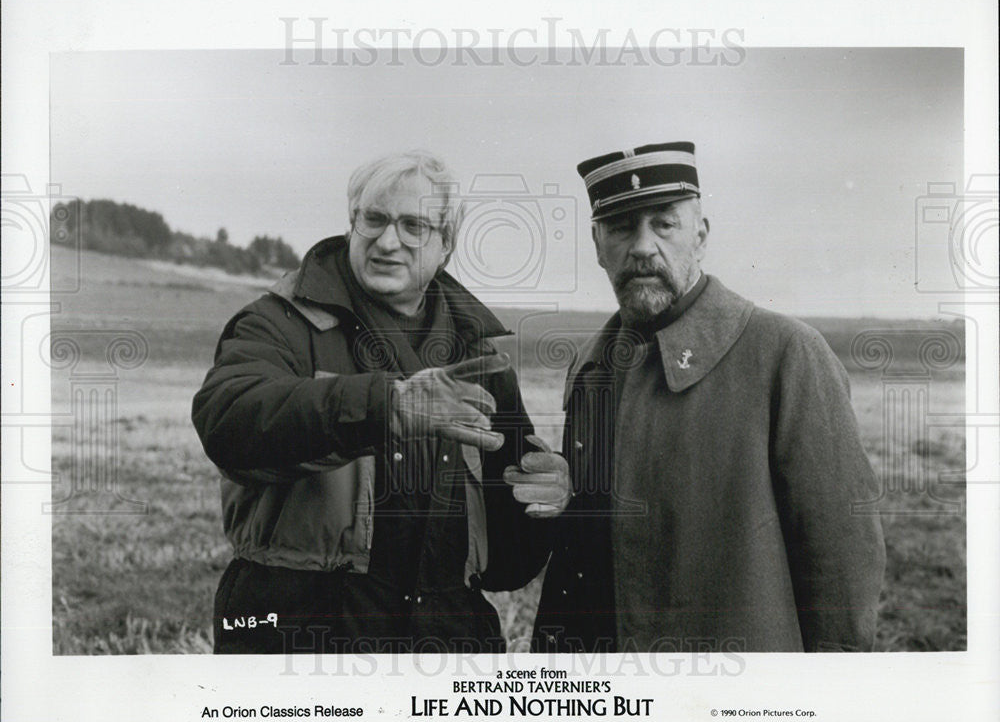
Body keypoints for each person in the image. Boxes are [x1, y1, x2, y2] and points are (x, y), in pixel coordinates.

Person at [192, 150, 568, 654]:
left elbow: (506, 565)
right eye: (374, 219)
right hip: (300, 644)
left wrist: (546, 500)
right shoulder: (277, 323)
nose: (388, 241)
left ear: (447, 244)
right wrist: (385, 407)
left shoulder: (480, 359)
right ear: (352, 222)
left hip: (445, 650)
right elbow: (227, 422)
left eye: (413, 226)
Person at [523, 141, 886, 653]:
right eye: (622, 226)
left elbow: (842, 561)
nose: (643, 246)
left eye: (664, 224)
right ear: (597, 243)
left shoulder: (785, 354)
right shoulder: (592, 367)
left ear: (701, 236)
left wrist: (826, 701)